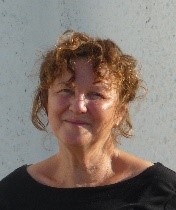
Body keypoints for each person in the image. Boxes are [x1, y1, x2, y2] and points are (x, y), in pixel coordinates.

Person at [0, 30, 176, 210]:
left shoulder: (162, 194)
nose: (78, 106)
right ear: (46, 102)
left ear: (120, 112)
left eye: (96, 94)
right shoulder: (11, 195)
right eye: (66, 91)